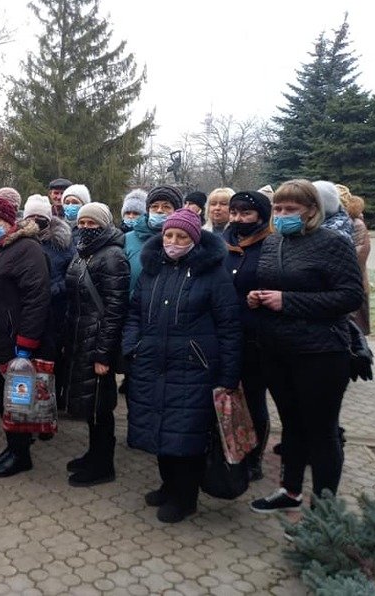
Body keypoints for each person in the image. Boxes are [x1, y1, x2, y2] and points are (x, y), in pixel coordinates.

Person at [248, 180, 363, 514]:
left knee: (322, 431)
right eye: (278, 209)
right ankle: (290, 490)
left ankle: (323, 510)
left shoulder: (333, 244)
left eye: (291, 210)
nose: (282, 215)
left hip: (321, 353)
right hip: (277, 349)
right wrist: (258, 297)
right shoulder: (273, 243)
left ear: (312, 211)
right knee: (292, 425)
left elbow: (350, 297)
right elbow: (271, 283)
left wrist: (288, 301)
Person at [122, 208, 241, 523]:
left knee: (186, 435)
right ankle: (168, 485)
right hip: (152, 362)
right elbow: (134, 311)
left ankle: (185, 497)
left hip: (194, 367)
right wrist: (131, 346)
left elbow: (229, 325)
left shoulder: (212, 273)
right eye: (169, 235)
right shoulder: (152, 269)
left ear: (195, 239)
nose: (173, 241)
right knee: (160, 428)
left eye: (182, 236)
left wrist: (229, 373)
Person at [0, 196, 51, 477]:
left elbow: (36, 298)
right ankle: (12, 447)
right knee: (3, 401)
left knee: (18, 403)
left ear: (10, 221)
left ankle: (22, 455)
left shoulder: (26, 248)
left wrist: (25, 343)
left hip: (15, 342)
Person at [63, 203, 129, 486]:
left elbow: (115, 310)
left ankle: (104, 465)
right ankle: (93, 453)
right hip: (80, 339)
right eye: (83, 222)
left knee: (101, 406)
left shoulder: (113, 256)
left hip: (98, 344)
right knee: (89, 404)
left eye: (93, 223)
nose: (86, 227)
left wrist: (104, 354)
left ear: (104, 224)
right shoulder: (81, 254)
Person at [223, 191, 273, 481]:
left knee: (253, 398)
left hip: (255, 334)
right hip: (223, 332)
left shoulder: (270, 245)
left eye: (246, 214)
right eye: (234, 213)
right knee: (226, 396)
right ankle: (230, 449)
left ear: (261, 217)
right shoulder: (223, 243)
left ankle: (254, 457)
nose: (238, 219)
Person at [23, 194, 76, 409]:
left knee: (50, 362)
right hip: (27, 311)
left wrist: (54, 288)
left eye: (40, 215)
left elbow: (72, 275)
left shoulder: (62, 242)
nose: (35, 219)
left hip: (55, 310)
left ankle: (50, 406)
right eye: (31, 215)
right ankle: (28, 409)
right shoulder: (20, 240)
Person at [124, 184, 183, 297]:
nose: (159, 210)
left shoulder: (184, 240)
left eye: (166, 206)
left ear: (177, 211)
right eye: (154, 206)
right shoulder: (128, 239)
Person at [346, 194, 371, 335]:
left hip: (356, 281)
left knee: (356, 326)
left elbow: (358, 254)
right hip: (356, 281)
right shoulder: (351, 222)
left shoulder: (356, 224)